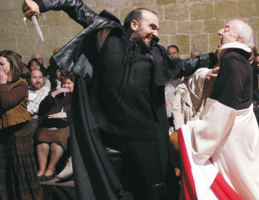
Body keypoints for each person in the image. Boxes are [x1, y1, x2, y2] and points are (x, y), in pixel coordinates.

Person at [23, 1, 217, 199]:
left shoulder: (155, 53)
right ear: (134, 24)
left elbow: (183, 65)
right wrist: (41, 3)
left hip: (144, 137)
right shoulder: (107, 34)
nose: (156, 33)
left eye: (157, 29)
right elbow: (74, 6)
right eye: (152, 27)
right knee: (111, 191)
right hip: (109, 137)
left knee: (153, 190)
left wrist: (214, 57)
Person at [176, 20, 259, 199]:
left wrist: (198, 137)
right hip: (241, 130)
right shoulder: (240, 60)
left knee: (247, 181)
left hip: (232, 134)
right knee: (253, 179)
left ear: (239, 39)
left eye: (226, 29)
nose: (219, 31)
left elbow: (224, 109)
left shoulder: (232, 59)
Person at [0, 50, 43, 200]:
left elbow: (6, 102)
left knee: (22, 173)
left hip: (19, 132)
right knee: (5, 174)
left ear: (12, 65)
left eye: (1, 64)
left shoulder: (21, 84)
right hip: (3, 132)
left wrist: (3, 83)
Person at [35, 73, 74, 181]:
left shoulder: (77, 96)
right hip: (50, 123)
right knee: (43, 137)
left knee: (58, 139)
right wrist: (55, 93)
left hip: (66, 124)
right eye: (63, 83)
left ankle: (51, 169)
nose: (65, 86)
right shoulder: (55, 93)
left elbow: (80, 113)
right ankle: (42, 169)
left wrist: (66, 114)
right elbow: (42, 108)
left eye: (68, 83)